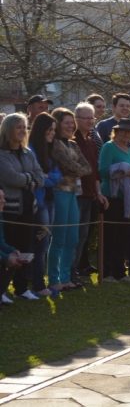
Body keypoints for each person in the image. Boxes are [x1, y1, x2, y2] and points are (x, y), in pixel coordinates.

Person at [0, 113, 45, 302]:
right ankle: (2, 290)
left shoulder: (28, 153)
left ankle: (21, 287)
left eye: (24, 127)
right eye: (18, 127)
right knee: (9, 249)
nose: (22, 131)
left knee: (26, 247)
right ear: (8, 129)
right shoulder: (2, 154)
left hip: (28, 209)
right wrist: (30, 178)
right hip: (9, 210)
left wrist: (28, 179)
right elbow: (10, 178)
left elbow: (40, 177)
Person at [49, 108, 92, 291]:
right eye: (66, 122)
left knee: (72, 238)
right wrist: (75, 169)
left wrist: (74, 169)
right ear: (57, 124)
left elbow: (86, 168)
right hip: (59, 192)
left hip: (73, 192)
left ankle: (65, 277)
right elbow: (67, 165)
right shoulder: (55, 144)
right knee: (59, 237)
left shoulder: (73, 145)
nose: (70, 125)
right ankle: (54, 279)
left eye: (71, 122)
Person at [99, 118, 130, 282]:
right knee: (111, 235)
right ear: (116, 132)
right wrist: (124, 170)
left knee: (123, 236)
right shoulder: (108, 147)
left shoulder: (128, 150)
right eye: (123, 131)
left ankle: (120, 271)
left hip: (126, 199)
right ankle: (107, 272)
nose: (127, 135)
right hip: (112, 196)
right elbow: (103, 171)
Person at [72, 103, 108, 280]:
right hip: (76, 195)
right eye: (85, 118)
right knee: (74, 236)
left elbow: (95, 171)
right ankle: (69, 271)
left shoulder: (91, 141)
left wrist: (98, 192)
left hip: (90, 194)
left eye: (91, 118)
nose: (89, 121)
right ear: (76, 119)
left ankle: (76, 269)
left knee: (83, 235)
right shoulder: (73, 141)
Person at [27, 112, 60, 296]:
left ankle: (39, 280)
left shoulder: (50, 150)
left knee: (45, 242)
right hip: (38, 202)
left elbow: (56, 176)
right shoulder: (31, 150)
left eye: (54, 130)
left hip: (49, 199)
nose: (52, 134)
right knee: (40, 243)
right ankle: (38, 284)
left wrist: (46, 178)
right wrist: (45, 178)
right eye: (50, 130)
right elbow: (37, 177)